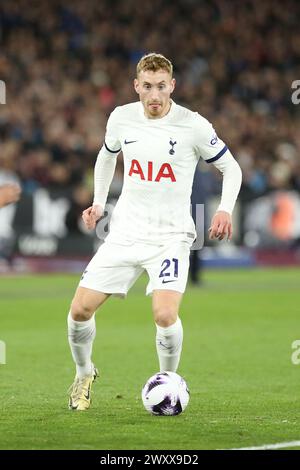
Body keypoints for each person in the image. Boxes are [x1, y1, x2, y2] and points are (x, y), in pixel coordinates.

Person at [67, 53, 242, 411]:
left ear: (172, 86)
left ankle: (170, 382)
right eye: (147, 87)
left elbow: (232, 168)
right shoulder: (121, 118)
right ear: (137, 86)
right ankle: (84, 373)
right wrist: (99, 202)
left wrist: (224, 209)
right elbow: (106, 155)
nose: (154, 95)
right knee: (79, 311)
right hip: (125, 233)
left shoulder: (192, 125)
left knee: (164, 315)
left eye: (161, 86)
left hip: (171, 237)